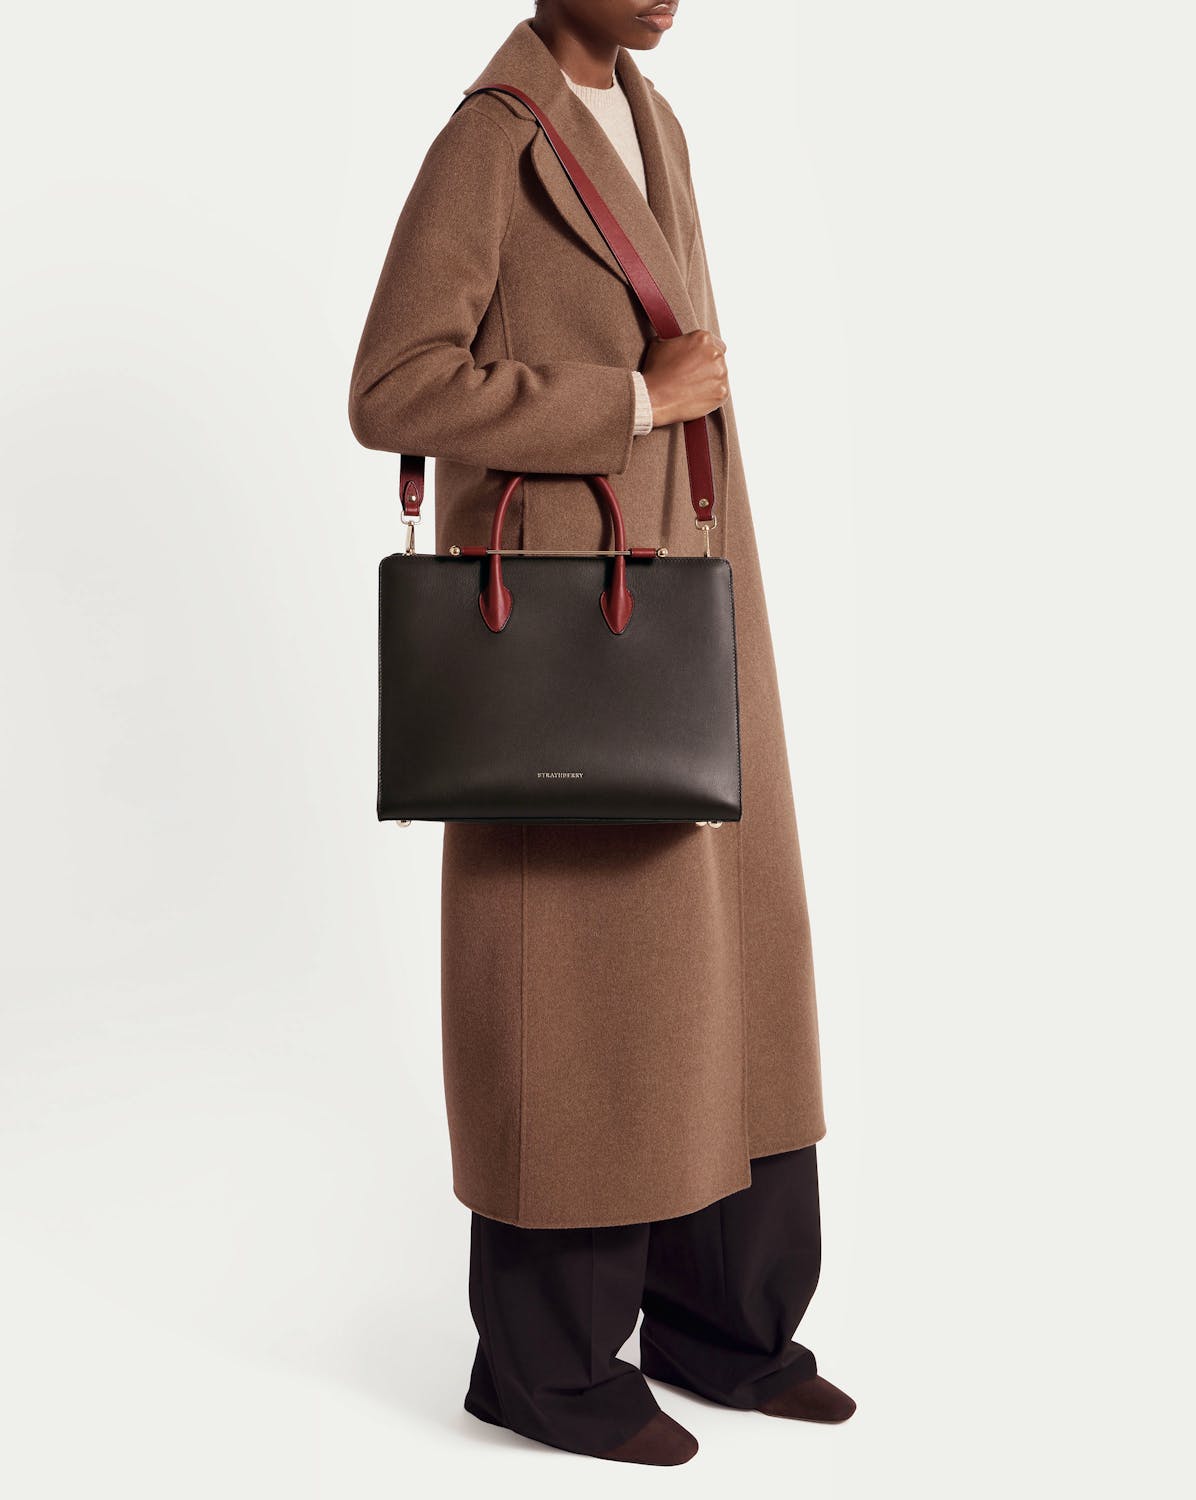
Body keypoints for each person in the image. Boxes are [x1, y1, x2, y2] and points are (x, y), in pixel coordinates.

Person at [349, 2, 853, 1464]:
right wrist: (628, 400)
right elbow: (391, 387)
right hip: (565, 637)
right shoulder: (489, 144)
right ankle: (550, 1370)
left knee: (730, 960)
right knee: (579, 983)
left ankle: (725, 1326)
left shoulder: (652, 117)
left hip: (688, 597)